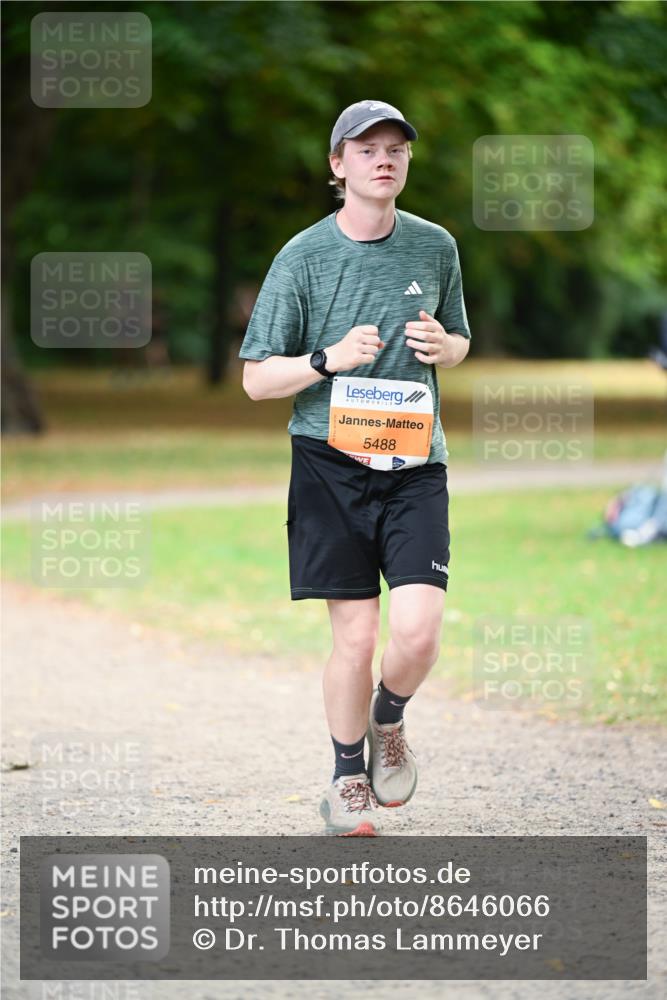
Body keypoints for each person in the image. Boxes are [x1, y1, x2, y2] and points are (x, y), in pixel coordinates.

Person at [239, 99, 471, 836]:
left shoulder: (434, 246)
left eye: (395, 149)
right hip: (329, 464)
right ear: (337, 165)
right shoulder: (302, 257)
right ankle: (346, 779)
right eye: (365, 148)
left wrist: (445, 347)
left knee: (418, 634)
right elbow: (254, 379)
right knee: (354, 637)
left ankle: (388, 719)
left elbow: (460, 339)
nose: (383, 159)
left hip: (413, 465)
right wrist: (326, 360)